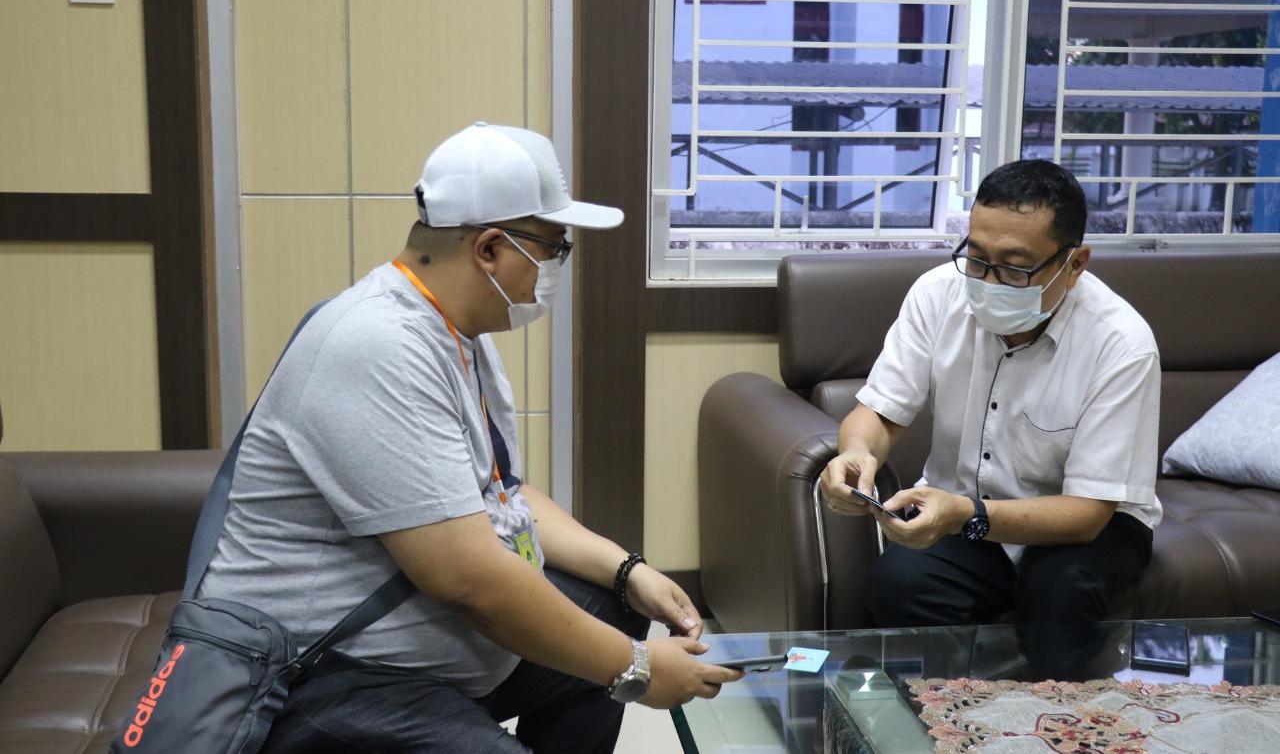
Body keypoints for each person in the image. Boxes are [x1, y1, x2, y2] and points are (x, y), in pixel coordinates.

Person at [198, 122, 742, 752]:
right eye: (553, 246)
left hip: (408, 646)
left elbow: (499, 493)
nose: (557, 265)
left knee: (613, 604)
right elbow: (470, 582)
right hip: (321, 673)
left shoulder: (452, 333)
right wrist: (637, 668)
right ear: (489, 249)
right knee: (611, 654)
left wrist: (628, 570)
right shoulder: (378, 346)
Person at [819, 159, 1162, 677]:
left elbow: (1088, 511)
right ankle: (945, 708)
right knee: (900, 581)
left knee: (1059, 589)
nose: (988, 280)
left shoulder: (1121, 345)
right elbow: (880, 411)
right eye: (977, 258)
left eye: (1014, 267)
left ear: (1075, 264)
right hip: (965, 505)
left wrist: (965, 514)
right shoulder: (938, 293)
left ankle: (1056, 715)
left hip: (1091, 522)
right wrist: (856, 452)